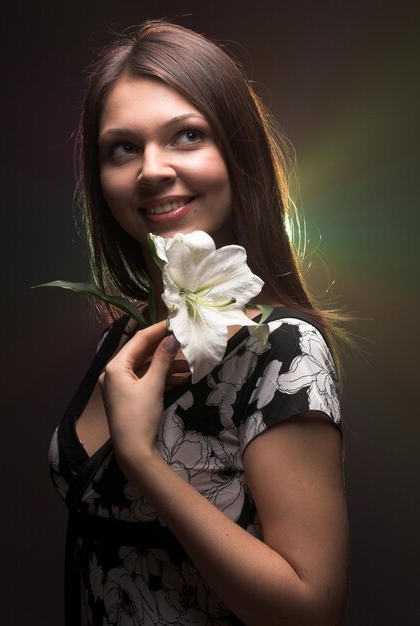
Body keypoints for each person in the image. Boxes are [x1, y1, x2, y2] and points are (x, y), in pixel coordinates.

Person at [49, 20, 349, 626]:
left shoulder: (283, 351)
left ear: (237, 155)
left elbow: (311, 612)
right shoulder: (126, 337)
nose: (151, 169)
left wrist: (141, 457)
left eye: (186, 135)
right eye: (123, 148)